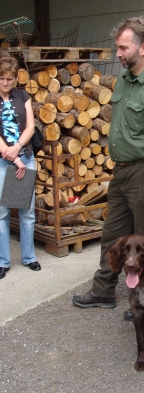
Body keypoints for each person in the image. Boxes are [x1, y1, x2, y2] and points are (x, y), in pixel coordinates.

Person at [72, 16, 144, 319]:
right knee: (113, 236)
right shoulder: (123, 79)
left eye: (123, 48)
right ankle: (103, 291)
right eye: (117, 47)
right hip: (121, 171)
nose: (117, 53)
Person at [0, 55, 41, 280]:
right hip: (2, 159)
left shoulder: (22, 95)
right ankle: (3, 261)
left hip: (23, 155)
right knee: (2, 212)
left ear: (16, 78)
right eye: (1, 78)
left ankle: (29, 257)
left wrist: (17, 149)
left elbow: (30, 126)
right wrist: (10, 155)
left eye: (9, 78)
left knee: (27, 211)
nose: (5, 83)